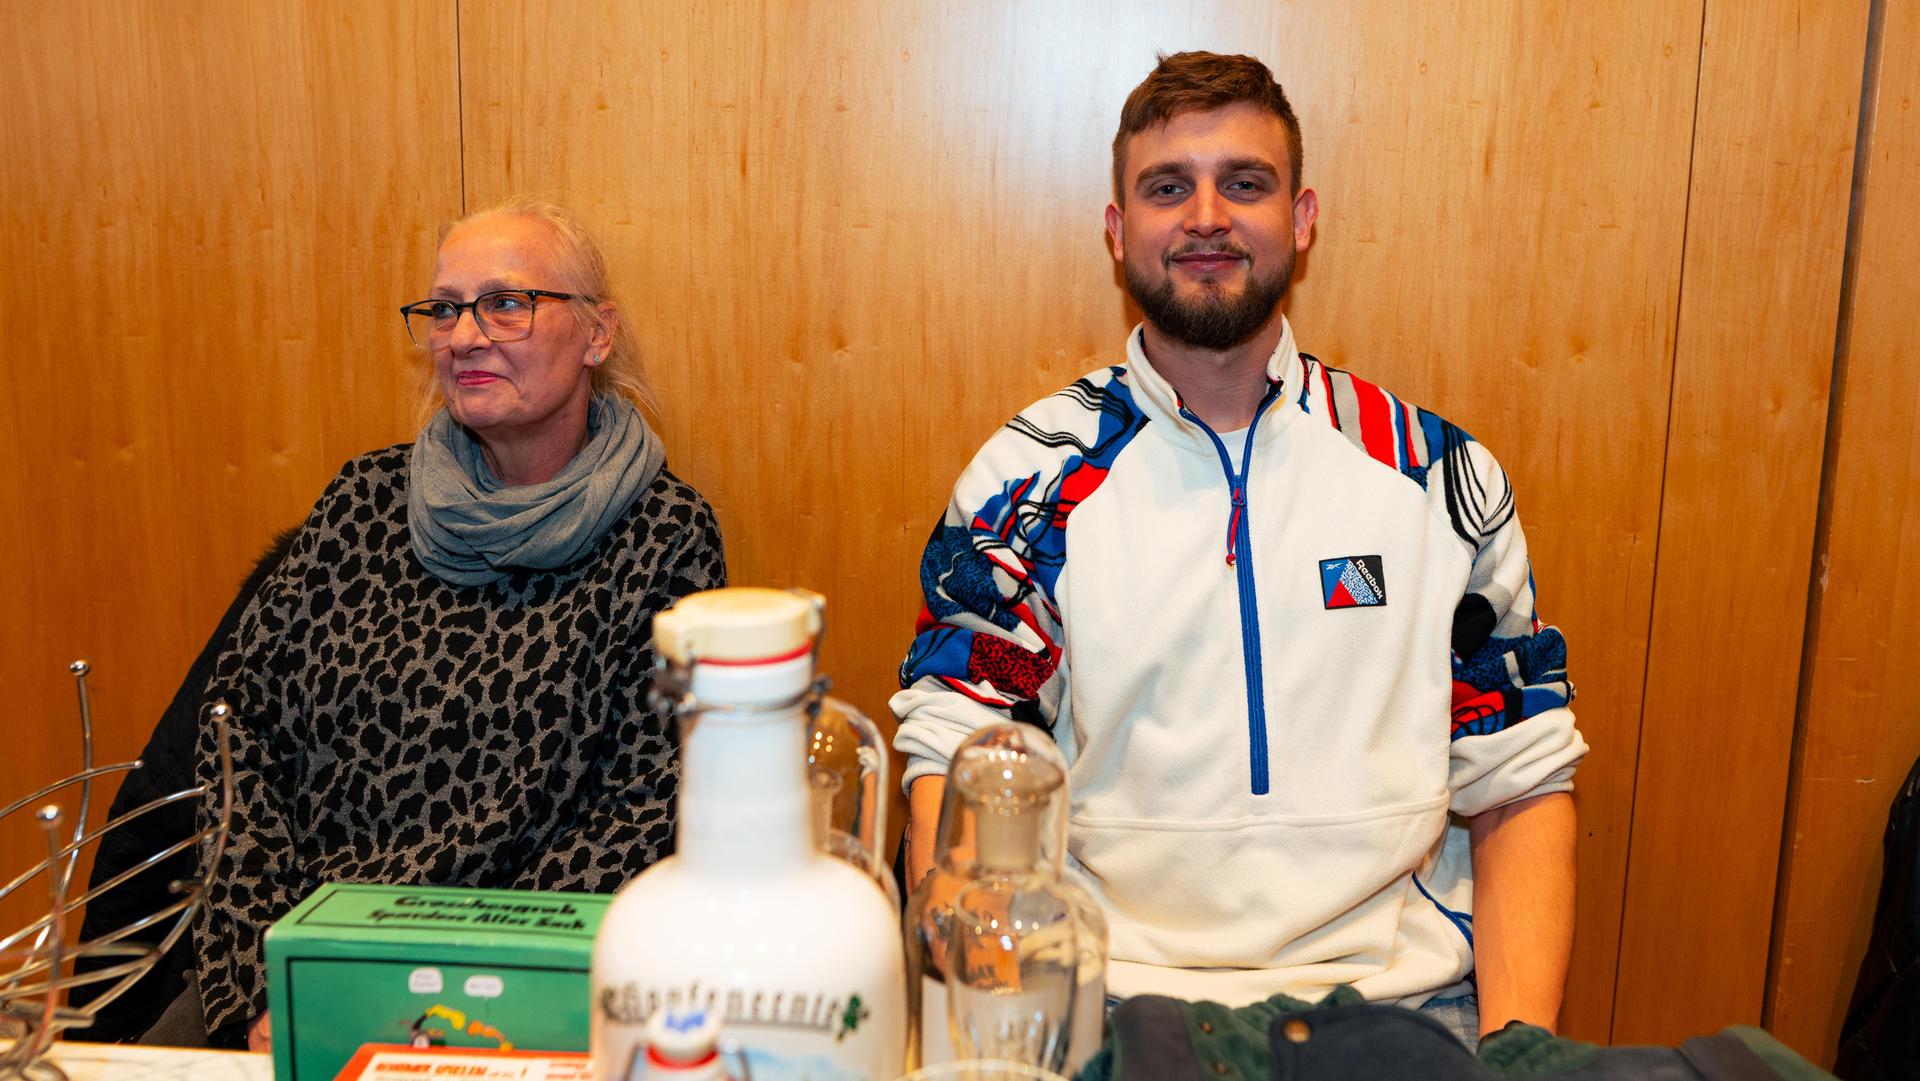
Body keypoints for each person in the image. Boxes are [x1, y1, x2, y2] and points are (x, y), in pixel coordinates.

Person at [893, 52, 1586, 1043]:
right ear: (1117, 230)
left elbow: (1520, 780)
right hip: (1110, 1015)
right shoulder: (1029, 486)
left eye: (1245, 184)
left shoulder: (1434, 476)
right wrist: (994, 1048)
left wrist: (1517, 1056)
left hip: (1402, 1012)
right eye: (1168, 187)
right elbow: (955, 773)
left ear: (1302, 220)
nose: (1208, 216)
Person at [187, 198, 726, 1049]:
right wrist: (269, 977)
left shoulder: (664, 537)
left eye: (506, 304)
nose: (465, 336)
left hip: (511, 992)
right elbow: (236, 735)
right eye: (445, 309)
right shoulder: (361, 503)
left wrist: (454, 993)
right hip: (302, 968)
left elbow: (648, 806)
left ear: (597, 334)